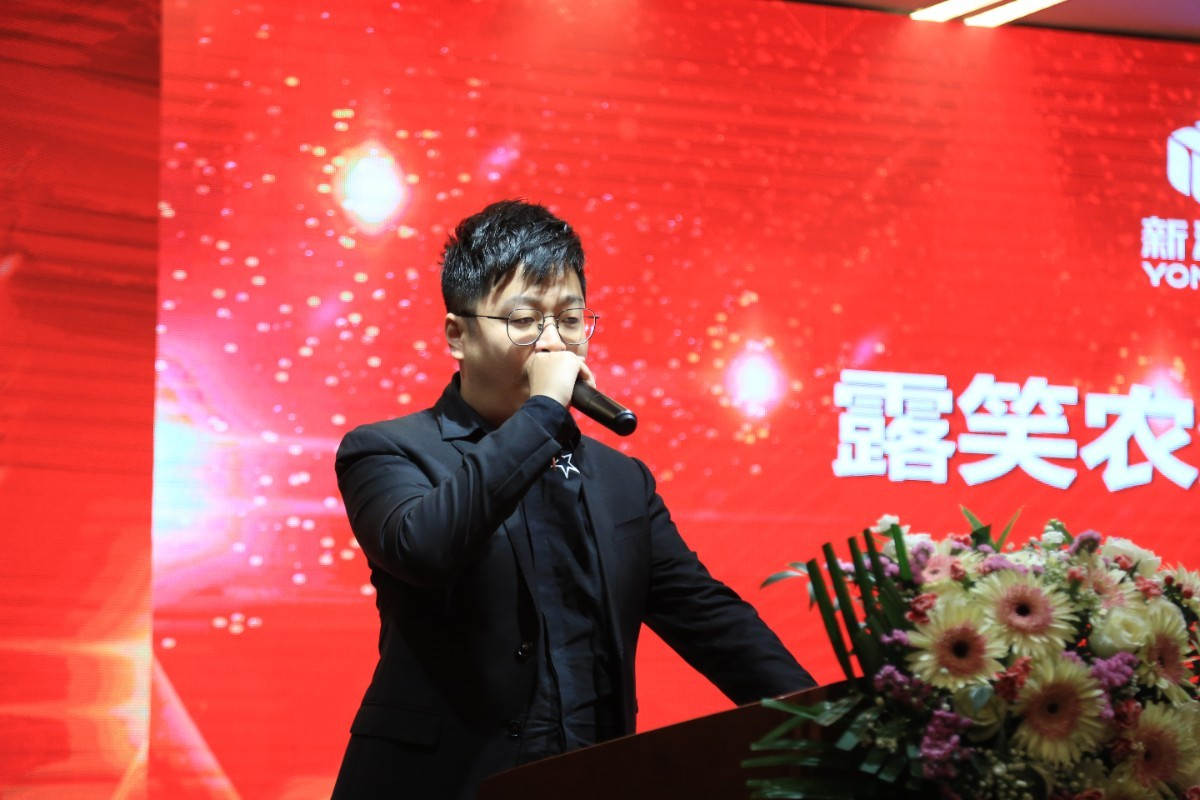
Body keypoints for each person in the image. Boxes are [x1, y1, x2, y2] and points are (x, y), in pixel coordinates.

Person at [330, 200, 815, 799]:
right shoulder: (387, 450)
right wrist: (542, 412)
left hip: (587, 776)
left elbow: (709, 618)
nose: (555, 344)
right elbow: (425, 548)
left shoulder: (621, 480)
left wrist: (827, 724)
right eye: (525, 320)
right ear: (458, 334)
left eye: (570, 319)